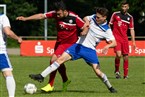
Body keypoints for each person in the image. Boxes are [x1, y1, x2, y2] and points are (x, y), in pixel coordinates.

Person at [29, 7, 117, 93]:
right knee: (59, 59)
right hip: (78, 46)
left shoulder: (107, 30)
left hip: (89, 50)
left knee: (98, 72)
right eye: (96, 16)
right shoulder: (93, 17)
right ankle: (41, 75)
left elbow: (114, 43)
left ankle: (110, 87)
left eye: (98, 17)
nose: (96, 18)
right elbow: (86, 18)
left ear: (104, 17)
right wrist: (86, 23)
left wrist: (107, 46)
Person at [16, 1, 85, 92]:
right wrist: (25, 19)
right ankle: (65, 80)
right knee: (58, 63)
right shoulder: (55, 13)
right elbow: (41, 16)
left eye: (59, 14)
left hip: (70, 44)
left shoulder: (74, 17)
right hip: (59, 43)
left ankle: (50, 85)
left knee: (53, 60)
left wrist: (84, 32)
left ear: (65, 11)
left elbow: (85, 26)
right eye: (57, 14)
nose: (58, 16)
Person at [109, 1, 136, 79]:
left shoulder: (130, 17)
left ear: (128, 7)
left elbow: (131, 29)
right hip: (116, 37)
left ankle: (125, 75)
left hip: (124, 38)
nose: (123, 8)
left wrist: (133, 41)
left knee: (126, 56)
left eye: (125, 7)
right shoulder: (115, 14)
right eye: (122, 6)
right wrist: (109, 36)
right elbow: (109, 25)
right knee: (118, 54)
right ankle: (117, 71)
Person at [0, 14, 22, 97]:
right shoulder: (2, 17)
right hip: (0, 51)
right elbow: (8, 32)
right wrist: (18, 38)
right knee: (7, 73)